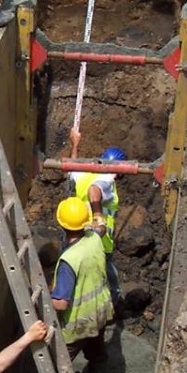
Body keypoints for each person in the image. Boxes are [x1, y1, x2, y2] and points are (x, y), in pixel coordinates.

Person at [51, 197, 114, 373]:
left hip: (78, 322)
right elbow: (101, 227)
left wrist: (44, 298)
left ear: (62, 225)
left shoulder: (69, 260)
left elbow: (61, 304)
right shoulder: (95, 238)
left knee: (59, 363)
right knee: (97, 351)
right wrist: (97, 211)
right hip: (101, 311)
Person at [67, 127, 125, 308]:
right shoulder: (108, 179)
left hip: (78, 232)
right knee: (109, 280)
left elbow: (71, 168)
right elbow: (94, 191)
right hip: (99, 239)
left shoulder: (86, 173)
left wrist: (75, 145)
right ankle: (110, 307)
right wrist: (98, 217)